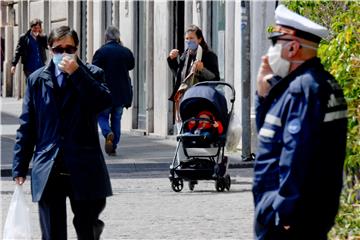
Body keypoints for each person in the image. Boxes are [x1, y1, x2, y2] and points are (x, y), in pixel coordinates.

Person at [252, 5, 348, 240]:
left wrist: (285, 213)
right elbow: (270, 138)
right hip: (302, 213)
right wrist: (263, 94)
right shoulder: (311, 83)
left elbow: (297, 155)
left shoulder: (303, 89)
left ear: (293, 47)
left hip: (291, 219)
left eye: (276, 42)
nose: (269, 52)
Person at [12, 26, 113, 240]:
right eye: (58, 49)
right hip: (49, 165)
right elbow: (28, 125)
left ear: (77, 50)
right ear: (49, 49)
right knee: (52, 232)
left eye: (70, 48)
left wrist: (77, 73)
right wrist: (19, 166)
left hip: (84, 164)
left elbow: (103, 102)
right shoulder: (37, 79)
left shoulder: (93, 74)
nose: (64, 54)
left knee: (87, 229)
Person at [167, 24, 220, 133]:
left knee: (196, 126)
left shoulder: (209, 56)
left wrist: (202, 69)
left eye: (192, 38)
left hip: (200, 98)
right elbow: (180, 77)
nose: (188, 41)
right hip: (183, 98)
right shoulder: (185, 55)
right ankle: (182, 145)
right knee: (182, 128)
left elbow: (216, 78)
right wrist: (172, 60)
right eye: (187, 39)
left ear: (199, 39)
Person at [92, 26, 135, 156]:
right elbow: (131, 65)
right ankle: (114, 144)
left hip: (105, 92)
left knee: (101, 115)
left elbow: (94, 70)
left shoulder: (101, 52)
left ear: (106, 37)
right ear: (117, 37)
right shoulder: (125, 51)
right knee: (116, 118)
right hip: (121, 93)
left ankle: (107, 133)